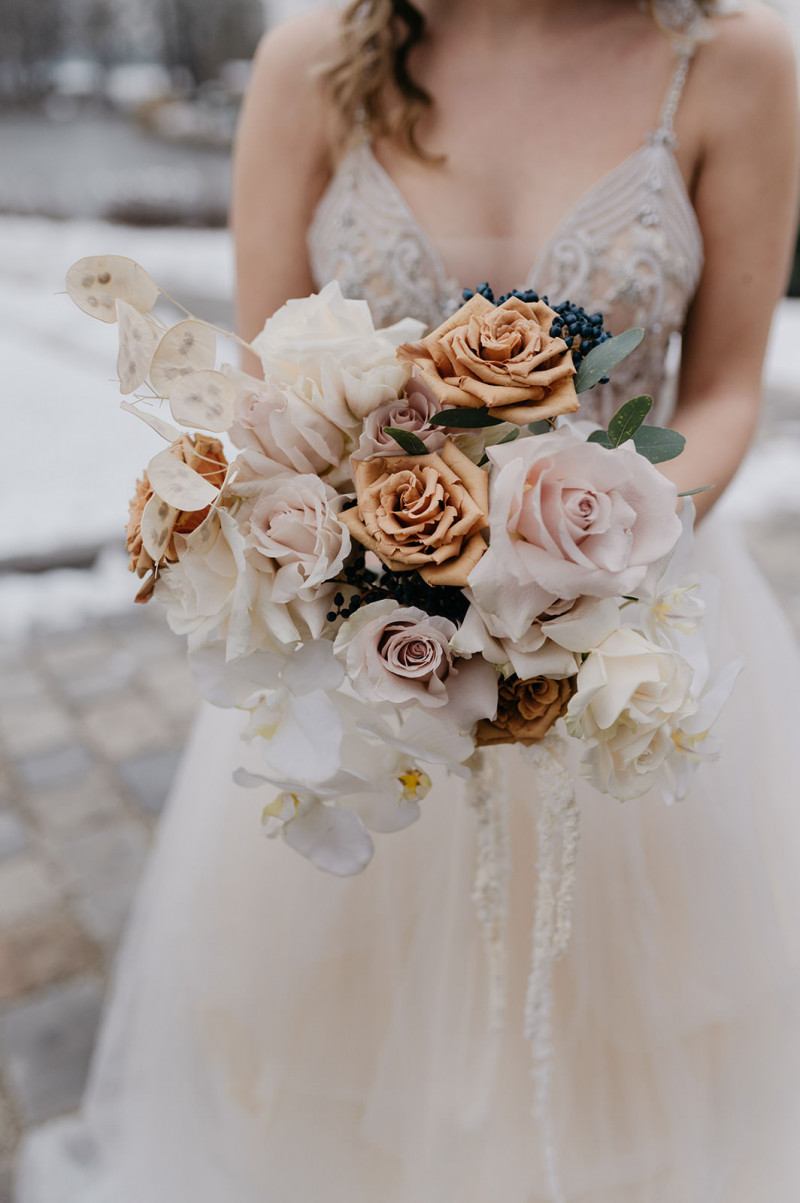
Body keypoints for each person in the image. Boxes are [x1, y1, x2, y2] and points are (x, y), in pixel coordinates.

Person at [16, 1, 800, 1201]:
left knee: (643, 1083)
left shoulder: (732, 65)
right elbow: (262, 390)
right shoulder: (308, 64)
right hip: (370, 667)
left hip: (632, 635)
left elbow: (728, 389)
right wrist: (360, 555)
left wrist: (575, 561)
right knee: (333, 1091)